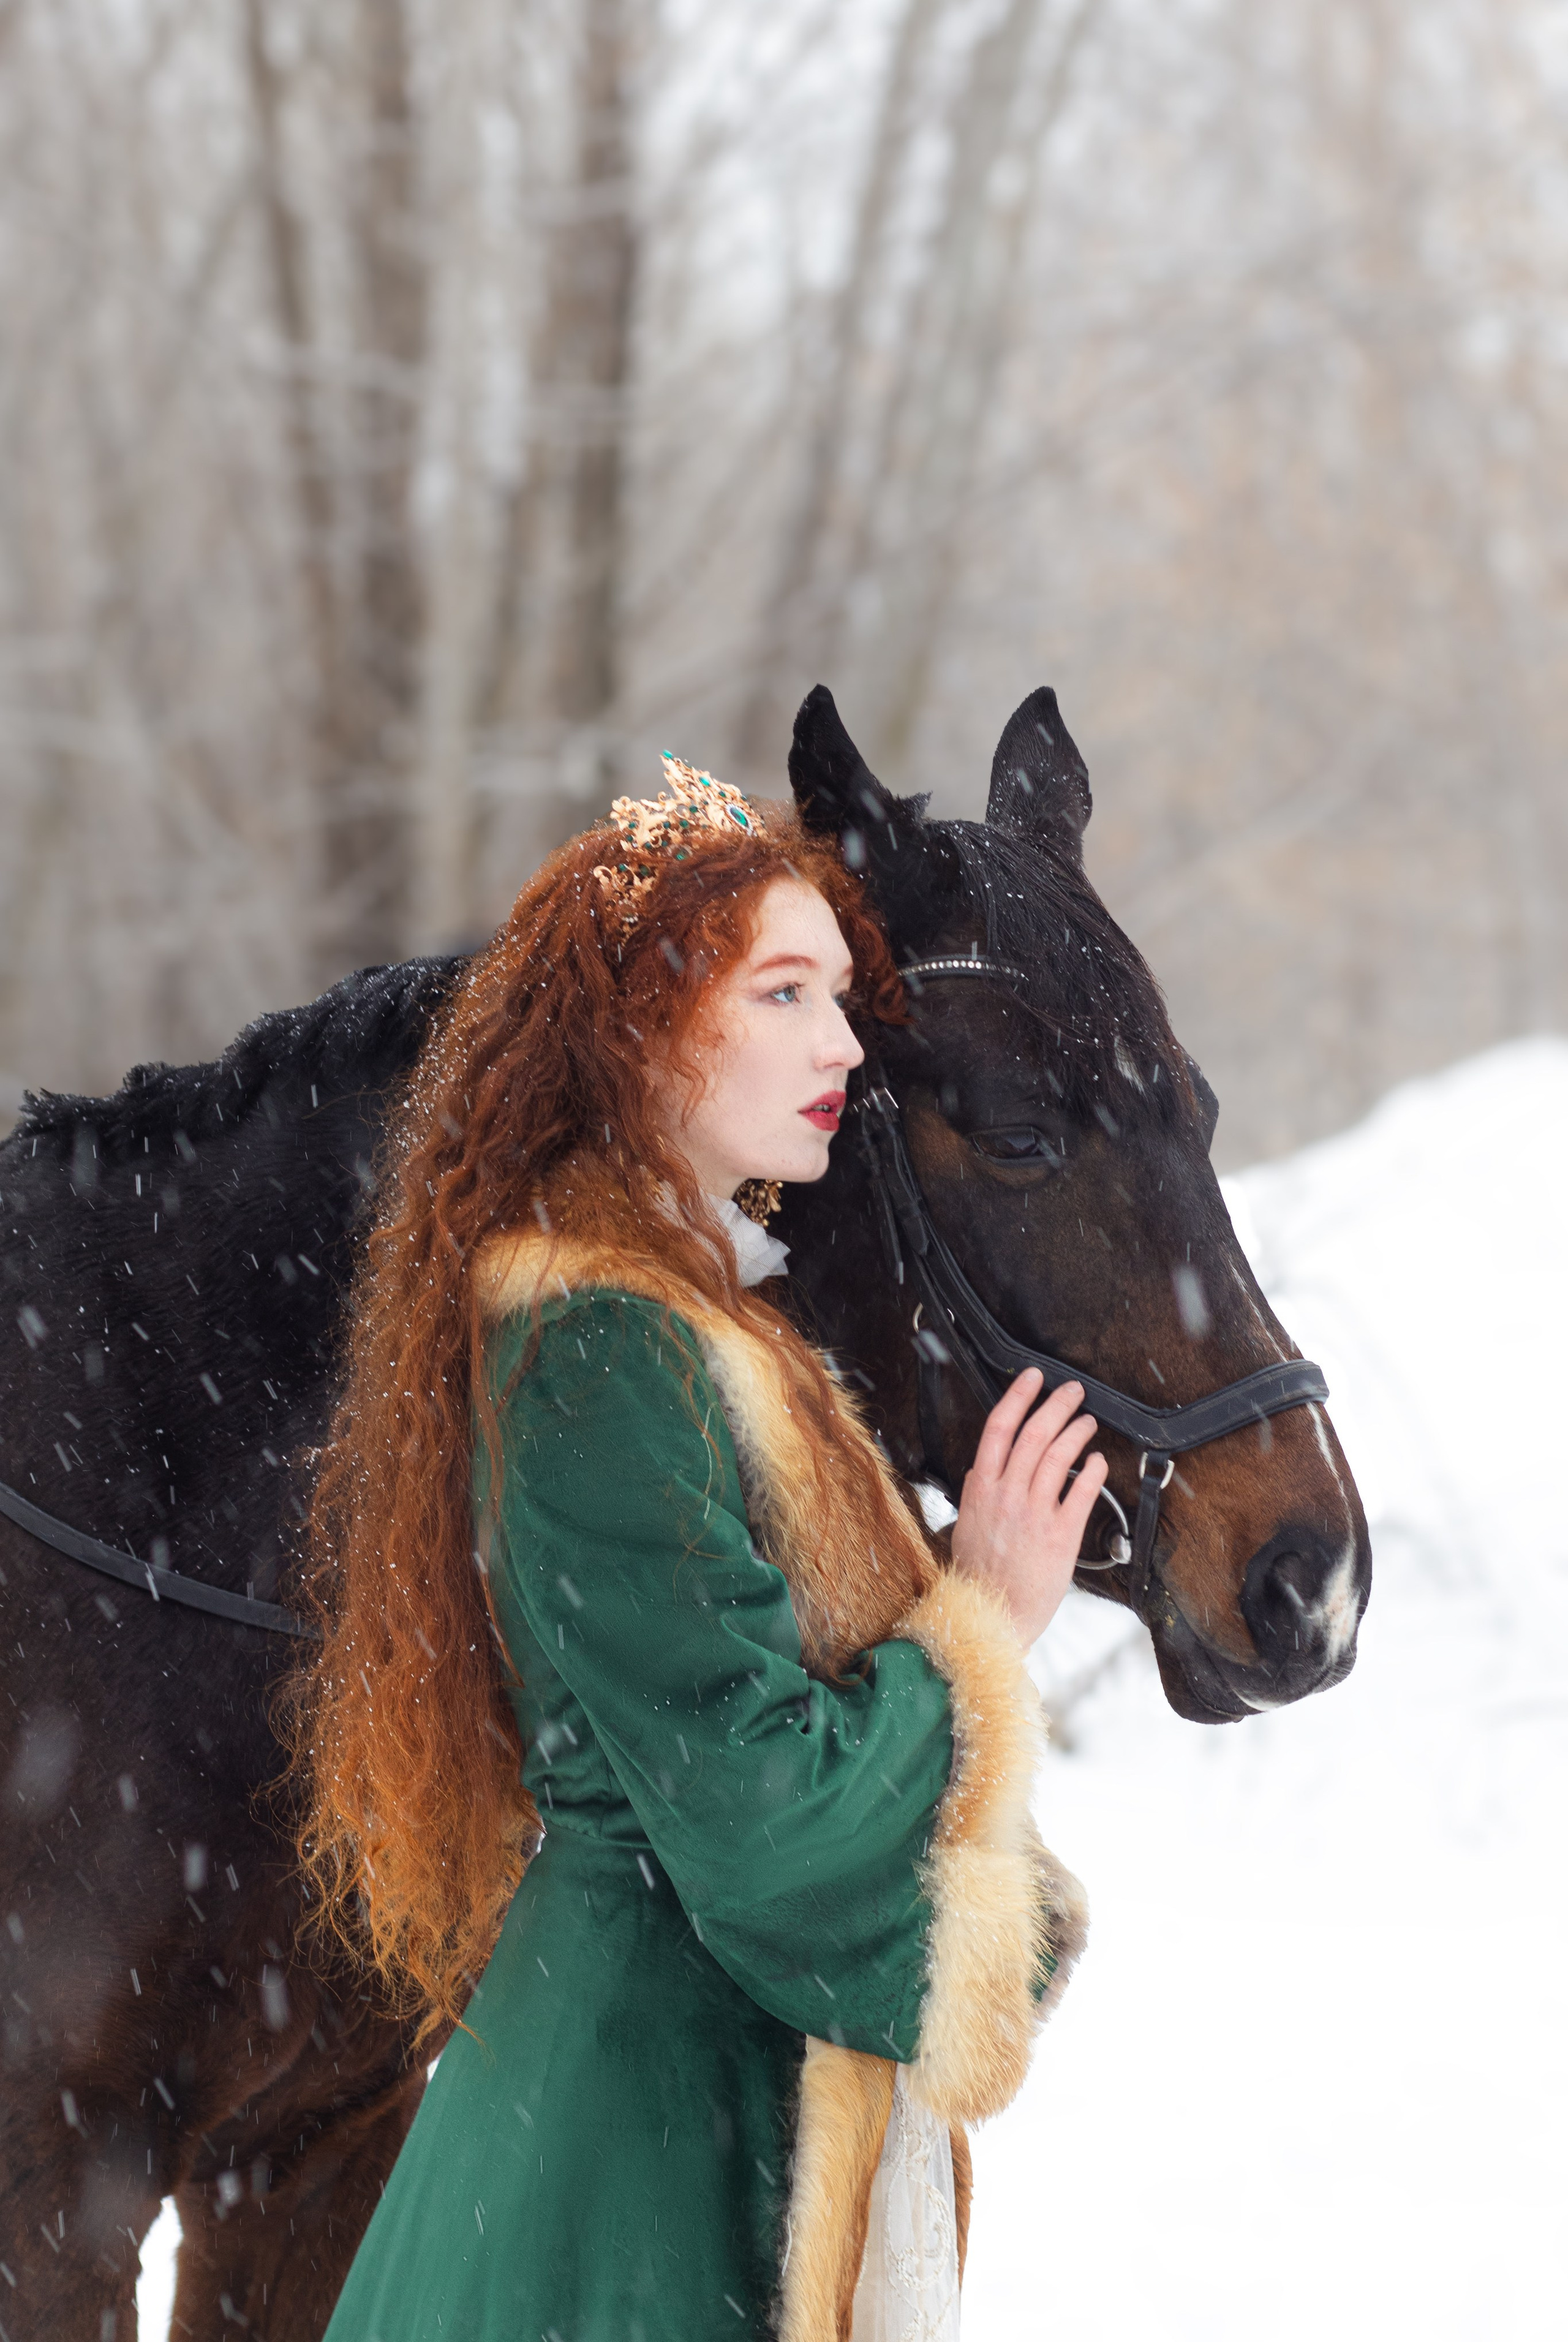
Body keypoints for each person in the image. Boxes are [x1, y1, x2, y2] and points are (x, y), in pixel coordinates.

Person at [285, 759, 1105, 2342]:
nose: (844, 1044)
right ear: (642, 1024)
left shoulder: (696, 1321)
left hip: (688, 2110)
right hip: (623, 2169)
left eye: (842, 997)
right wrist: (981, 1623)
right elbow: (753, 1808)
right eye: (786, 992)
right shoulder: (597, 1345)